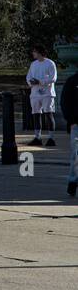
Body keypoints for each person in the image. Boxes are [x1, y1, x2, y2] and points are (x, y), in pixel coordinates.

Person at [26, 44, 58, 147]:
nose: (33, 53)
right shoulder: (33, 64)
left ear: (39, 52)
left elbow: (53, 78)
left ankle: (51, 138)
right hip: (35, 93)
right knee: (36, 115)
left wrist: (40, 82)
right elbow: (28, 77)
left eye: (34, 51)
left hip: (47, 93)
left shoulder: (50, 63)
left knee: (48, 114)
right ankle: (37, 137)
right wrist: (31, 82)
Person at [62, 69, 78, 197]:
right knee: (75, 155)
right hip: (76, 124)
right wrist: (71, 120)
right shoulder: (72, 81)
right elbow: (65, 102)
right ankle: (72, 182)